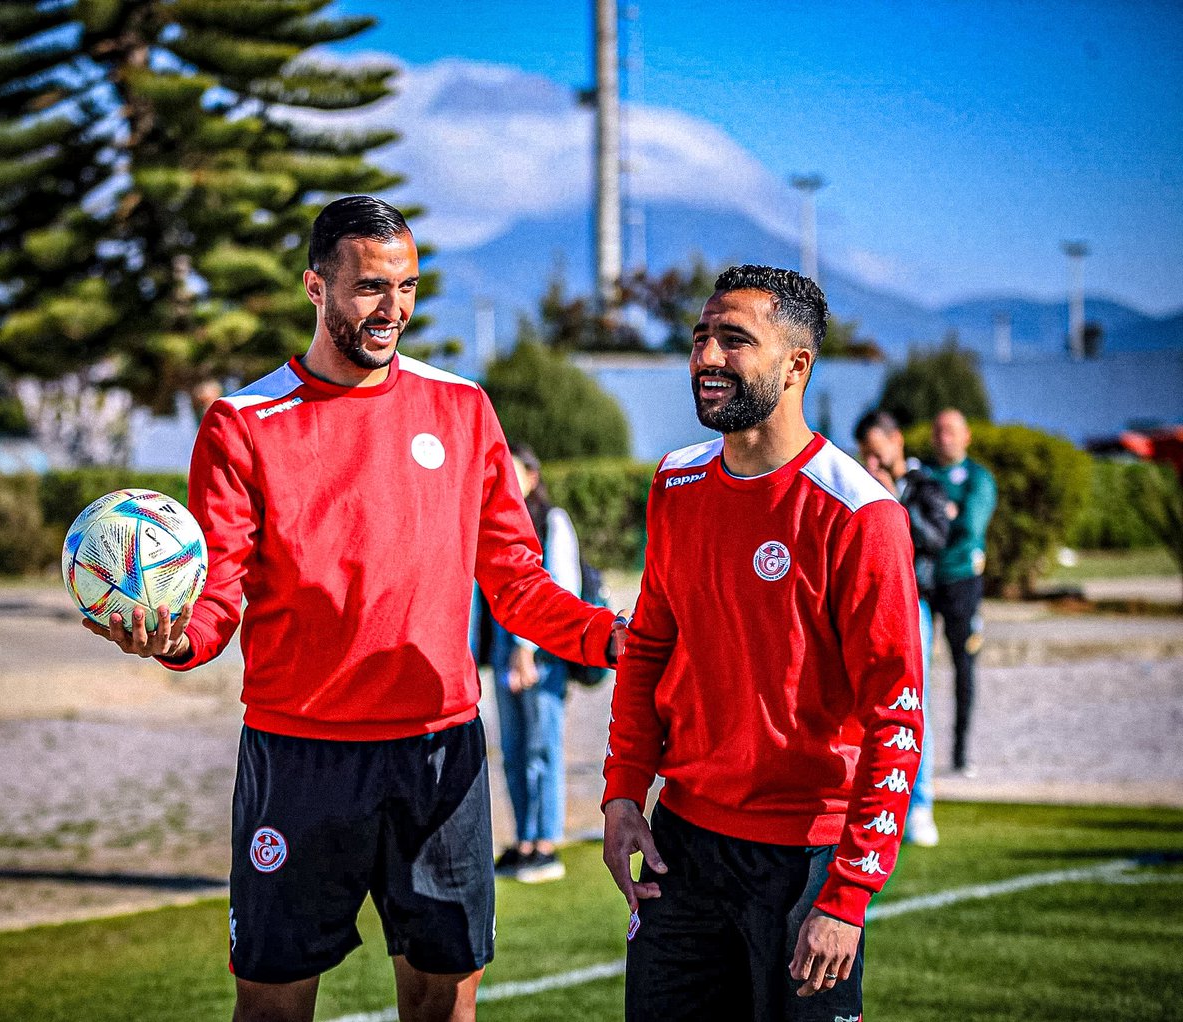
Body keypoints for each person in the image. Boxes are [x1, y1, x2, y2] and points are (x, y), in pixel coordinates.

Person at [81, 195, 626, 1022]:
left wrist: (610, 637)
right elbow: (215, 601)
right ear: (316, 287)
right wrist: (169, 639)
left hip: (439, 753)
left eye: (406, 287)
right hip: (299, 760)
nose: (393, 309)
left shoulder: (463, 408)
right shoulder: (242, 424)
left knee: (444, 1002)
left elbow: (514, 578)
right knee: (270, 1007)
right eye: (371, 287)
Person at [602, 265, 923, 1021]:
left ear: (795, 366)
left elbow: (896, 716)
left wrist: (847, 897)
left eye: (733, 340)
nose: (707, 357)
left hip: (805, 860)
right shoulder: (675, 483)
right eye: (700, 338)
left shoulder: (859, 515)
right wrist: (622, 792)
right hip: (683, 845)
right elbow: (648, 648)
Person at [855, 408, 951, 847]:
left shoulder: (925, 486)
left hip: (912, 606)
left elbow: (937, 538)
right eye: (865, 457)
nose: (871, 465)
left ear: (896, 443)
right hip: (865, 605)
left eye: (876, 454)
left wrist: (893, 504)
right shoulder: (857, 486)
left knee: (912, 705)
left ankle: (920, 806)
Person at [489, 443, 578, 884]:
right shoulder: (495, 520)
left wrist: (528, 647)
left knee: (543, 747)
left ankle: (546, 843)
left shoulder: (551, 520)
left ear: (533, 475)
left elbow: (561, 588)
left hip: (543, 651)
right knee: (513, 749)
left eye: (515, 470)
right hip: (505, 650)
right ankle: (524, 840)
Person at [927, 408, 997, 776]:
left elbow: (969, 525)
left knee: (963, 666)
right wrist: (943, 514)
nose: (944, 437)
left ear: (966, 436)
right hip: (924, 583)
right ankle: (917, 754)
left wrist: (937, 517)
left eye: (951, 430)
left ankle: (960, 753)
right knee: (915, 669)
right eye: (939, 430)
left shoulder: (978, 478)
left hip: (961, 581)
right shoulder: (923, 474)